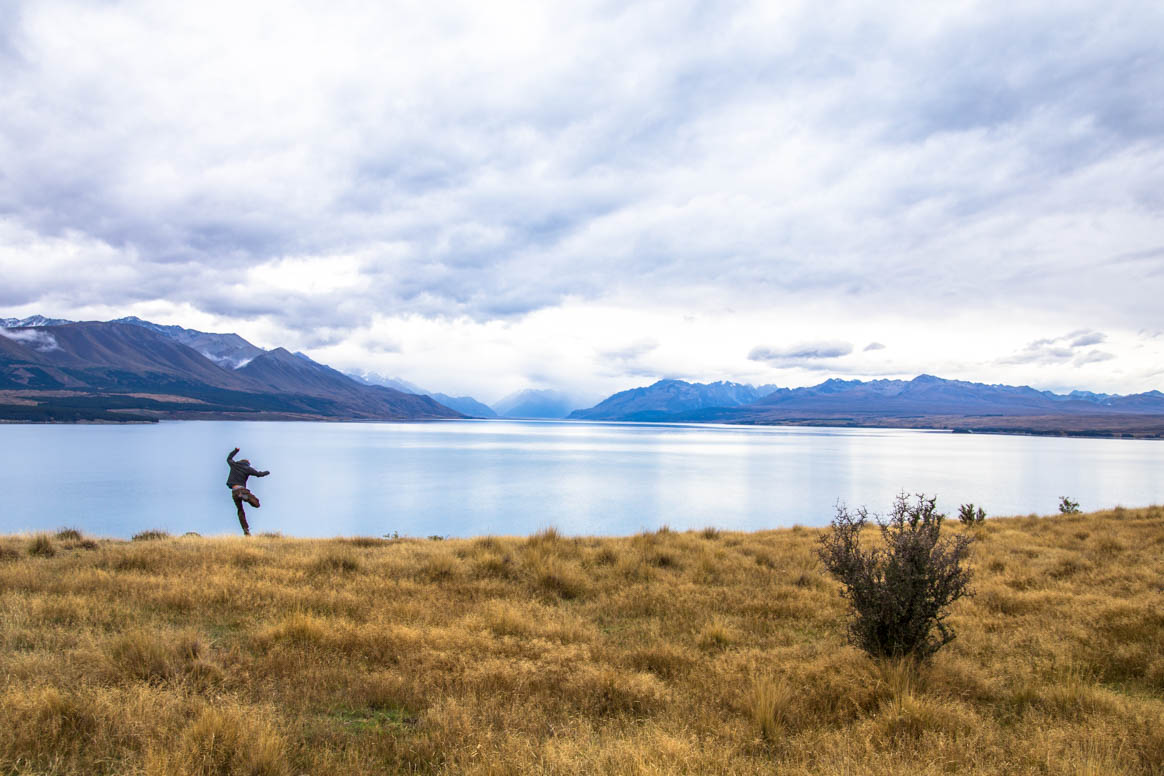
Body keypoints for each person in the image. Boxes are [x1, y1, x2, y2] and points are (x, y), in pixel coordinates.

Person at [226, 447, 269, 536]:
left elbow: (229, 458)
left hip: (234, 491)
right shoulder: (247, 468)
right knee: (256, 504)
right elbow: (259, 474)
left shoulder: (234, 465)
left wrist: (236, 450)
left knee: (240, 511)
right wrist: (267, 472)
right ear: (248, 464)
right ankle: (245, 497)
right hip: (242, 490)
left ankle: (246, 531)